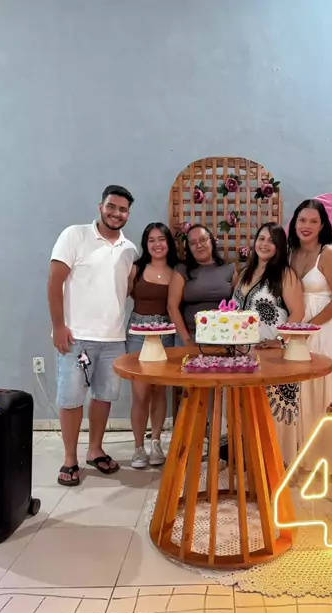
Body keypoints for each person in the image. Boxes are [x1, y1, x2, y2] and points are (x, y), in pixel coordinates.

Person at [48, 185, 138, 486]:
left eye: (123, 209)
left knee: (104, 397)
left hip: (113, 338)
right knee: (71, 399)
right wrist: (58, 326)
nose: (116, 213)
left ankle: (95, 449)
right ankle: (70, 458)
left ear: (128, 214)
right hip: (76, 337)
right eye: (111, 206)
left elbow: (126, 290)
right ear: (101, 206)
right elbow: (54, 281)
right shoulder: (74, 235)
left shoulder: (130, 249)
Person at [289, 199, 332, 475]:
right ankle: (302, 454)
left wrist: (309, 327)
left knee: (326, 385)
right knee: (302, 388)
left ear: (323, 225)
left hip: (326, 328)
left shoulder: (328, 253)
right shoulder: (291, 253)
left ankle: (330, 459)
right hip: (298, 328)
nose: (307, 226)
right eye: (302, 220)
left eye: (313, 221)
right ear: (295, 222)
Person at [233, 222, 304, 465]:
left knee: (272, 412)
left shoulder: (285, 274)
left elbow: (298, 312)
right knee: (246, 410)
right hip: (241, 355)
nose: (264, 244)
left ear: (279, 247)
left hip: (272, 356)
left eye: (271, 241)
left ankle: (276, 465)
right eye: (261, 238)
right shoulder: (244, 273)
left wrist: (280, 340)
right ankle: (250, 462)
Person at [127, 223, 178, 469]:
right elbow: (123, 295)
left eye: (161, 239)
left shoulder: (177, 271)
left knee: (159, 390)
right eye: (151, 240)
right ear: (145, 244)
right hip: (138, 333)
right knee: (140, 392)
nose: (157, 244)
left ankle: (156, 442)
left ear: (169, 242)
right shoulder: (136, 269)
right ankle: (138, 447)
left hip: (166, 334)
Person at [168, 224, 236, 344]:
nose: (199, 245)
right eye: (193, 243)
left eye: (203, 239)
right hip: (191, 336)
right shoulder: (181, 269)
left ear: (212, 241)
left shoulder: (229, 268)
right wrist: (187, 340)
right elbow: (172, 307)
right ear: (189, 248)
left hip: (224, 336)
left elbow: (239, 304)